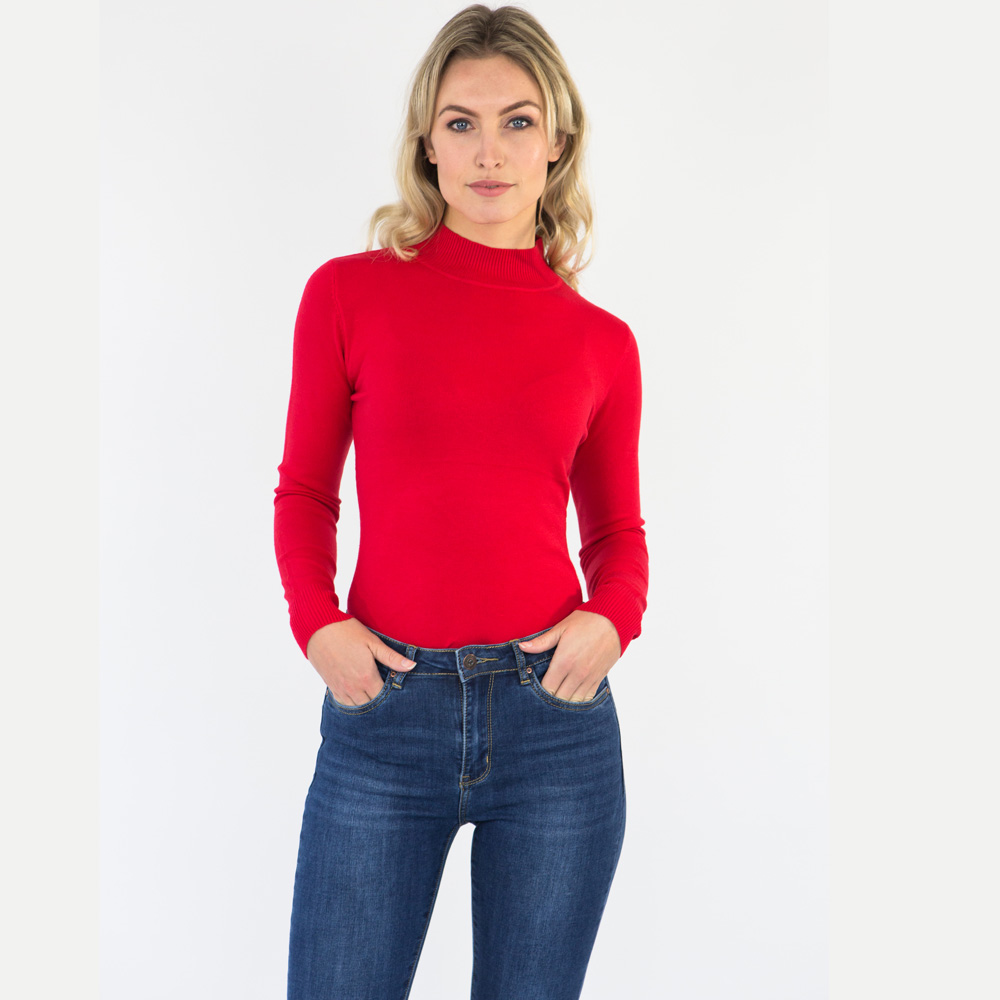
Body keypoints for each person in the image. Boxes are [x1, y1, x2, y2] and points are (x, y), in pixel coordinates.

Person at [273, 5, 649, 998]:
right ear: (426, 143)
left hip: (554, 721)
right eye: (461, 123)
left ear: (557, 142)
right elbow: (306, 490)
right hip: (384, 713)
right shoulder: (347, 295)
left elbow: (617, 532)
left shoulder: (602, 343)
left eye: (518, 122)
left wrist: (614, 617)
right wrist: (317, 624)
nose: (490, 151)